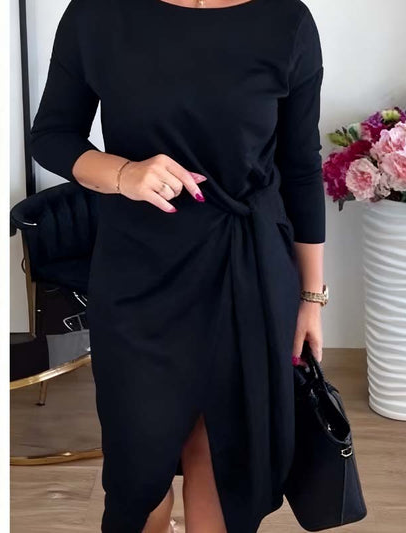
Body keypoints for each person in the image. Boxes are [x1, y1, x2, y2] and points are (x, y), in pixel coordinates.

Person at [30, 0, 327, 531]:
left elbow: (301, 168)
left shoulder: (287, 21)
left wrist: (311, 297)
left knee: (225, 454)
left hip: (249, 269)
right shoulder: (98, 14)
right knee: (138, 463)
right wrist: (123, 173)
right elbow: (52, 134)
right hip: (139, 273)